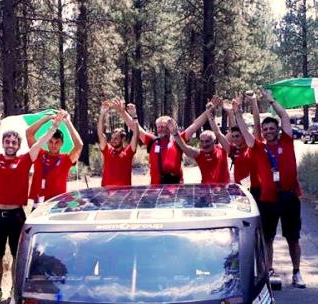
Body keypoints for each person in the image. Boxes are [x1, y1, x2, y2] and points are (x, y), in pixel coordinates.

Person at [0, 107, 61, 304]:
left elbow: (40, 142)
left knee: (18, 255)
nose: (10, 144)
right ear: (3, 144)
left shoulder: (25, 160)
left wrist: (53, 126)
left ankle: (15, 291)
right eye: (7, 141)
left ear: (18, 145)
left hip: (16, 214)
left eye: (14, 142)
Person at [233, 88, 306, 288]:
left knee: (293, 238)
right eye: (265, 130)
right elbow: (246, 131)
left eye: (272, 128)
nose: (268, 131)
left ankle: (297, 272)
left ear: (278, 129)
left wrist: (270, 100)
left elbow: (284, 115)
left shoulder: (287, 140)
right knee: (268, 238)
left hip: (290, 197)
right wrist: (237, 111)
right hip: (268, 199)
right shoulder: (257, 147)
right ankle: (268, 270)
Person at [117, 96, 219, 184]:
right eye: (159, 127)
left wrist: (207, 112)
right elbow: (134, 127)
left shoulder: (178, 139)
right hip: (155, 187)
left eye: (163, 126)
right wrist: (123, 112)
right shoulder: (152, 141)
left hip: (176, 186)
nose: (160, 129)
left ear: (170, 128)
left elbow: (195, 125)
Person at [28, 110, 84, 208]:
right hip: (38, 205)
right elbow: (29, 133)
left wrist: (68, 122)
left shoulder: (65, 159)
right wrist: (46, 118)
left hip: (58, 205)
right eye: (51, 142)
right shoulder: (39, 154)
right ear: (46, 142)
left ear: (62, 143)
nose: (54, 145)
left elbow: (79, 146)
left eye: (57, 142)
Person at [169, 102, 229, 185]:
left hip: (224, 190)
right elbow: (185, 147)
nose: (204, 144)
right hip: (206, 190)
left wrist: (230, 113)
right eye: (202, 141)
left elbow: (218, 133)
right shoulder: (199, 154)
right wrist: (175, 134)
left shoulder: (222, 149)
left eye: (207, 141)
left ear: (214, 141)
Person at [96, 99, 138, 187]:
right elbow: (100, 133)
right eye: (112, 138)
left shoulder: (128, 152)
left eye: (116, 138)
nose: (113, 140)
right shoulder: (107, 150)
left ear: (122, 139)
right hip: (106, 195)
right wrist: (102, 114)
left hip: (124, 195)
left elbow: (136, 134)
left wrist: (134, 116)